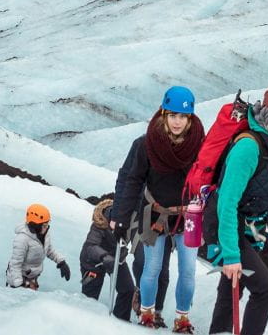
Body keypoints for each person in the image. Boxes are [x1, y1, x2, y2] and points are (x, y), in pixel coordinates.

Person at [207, 83, 268, 335]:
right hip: (224, 223)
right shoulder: (248, 147)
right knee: (265, 290)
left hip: (255, 225)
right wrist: (230, 254)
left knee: (233, 285)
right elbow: (226, 203)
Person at [112, 86, 205, 333]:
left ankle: (182, 320)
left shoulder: (199, 146)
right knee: (151, 268)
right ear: (164, 113)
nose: (178, 121)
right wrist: (119, 218)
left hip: (189, 216)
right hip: (154, 214)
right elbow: (132, 180)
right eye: (173, 115)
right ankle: (147, 315)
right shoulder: (147, 144)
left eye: (183, 116)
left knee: (188, 271)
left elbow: (210, 179)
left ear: (190, 118)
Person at [116, 131, 173, 325]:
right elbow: (125, 178)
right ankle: (142, 298)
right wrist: (118, 215)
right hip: (141, 213)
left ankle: (156, 311)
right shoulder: (142, 144)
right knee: (142, 260)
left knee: (162, 269)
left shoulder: (182, 147)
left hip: (167, 217)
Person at [79, 198, 134, 320]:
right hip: (93, 262)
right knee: (90, 297)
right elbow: (90, 246)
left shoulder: (129, 220)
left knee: (128, 289)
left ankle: (121, 322)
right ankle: (85, 323)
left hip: (117, 258)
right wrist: (104, 257)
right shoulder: (100, 223)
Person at [6, 203, 70, 290]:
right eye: (44, 225)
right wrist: (18, 285)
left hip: (32, 277)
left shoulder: (44, 234)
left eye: (47, 224)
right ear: (35, 226)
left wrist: (61, 262)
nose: (47, 227)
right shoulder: (22, 239)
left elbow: (49, 250)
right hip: (19, 278)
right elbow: (15, 264)